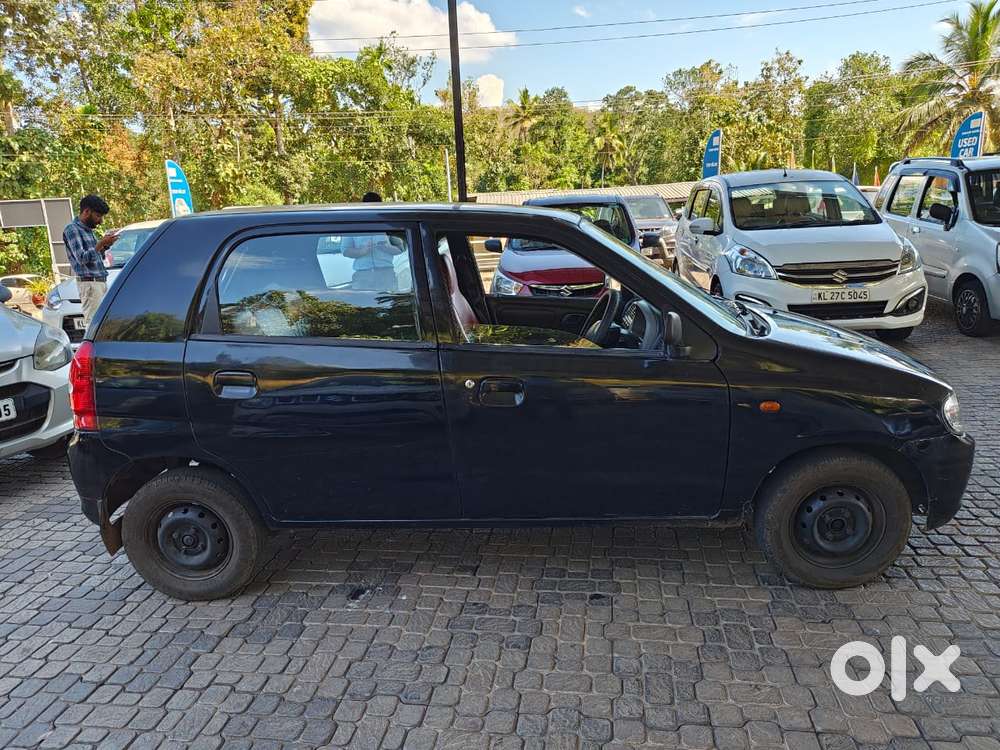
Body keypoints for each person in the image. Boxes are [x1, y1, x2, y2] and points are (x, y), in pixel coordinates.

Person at [63, 194, 118, 327]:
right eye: (98, 216)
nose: (100, 221)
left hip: (100, 282)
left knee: (105, 325)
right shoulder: (72, 229)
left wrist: (106, 245)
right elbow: (82, 258)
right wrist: (100, 244)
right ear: (86, 212)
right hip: (90, 284)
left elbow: (96, 256)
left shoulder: (88, 230)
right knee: (93, 325)